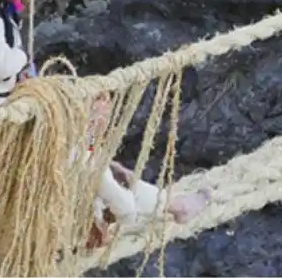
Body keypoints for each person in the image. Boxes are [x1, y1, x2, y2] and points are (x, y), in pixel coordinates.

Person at [84, 94, 210, 250]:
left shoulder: (84, 143)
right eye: (99, 115)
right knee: (114, 185)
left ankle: (175, 205)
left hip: (83, 191)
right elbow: (127, 211)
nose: (105, 121)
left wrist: (113, 168)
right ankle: (177, 206)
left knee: (116, 177)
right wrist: (98, 221)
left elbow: (90, 154)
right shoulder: (84, 157)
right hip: (73, 220)